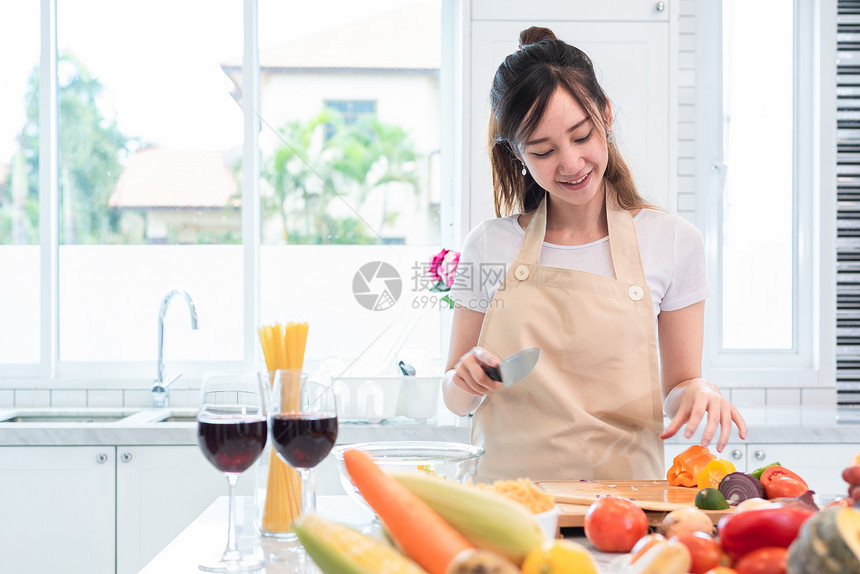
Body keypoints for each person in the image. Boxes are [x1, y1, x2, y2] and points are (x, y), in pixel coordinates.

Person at [441, 26, 747, 482]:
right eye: (543, 151)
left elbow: (677, 389)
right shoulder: (485, 245)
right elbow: (453, 397)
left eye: (582, 136)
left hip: (626, 509)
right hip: (509, 507)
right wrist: (465, 381)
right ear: (517, 153)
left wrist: (699, 391)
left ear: (605, 115)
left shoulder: (675, 241)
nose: (570, 163)